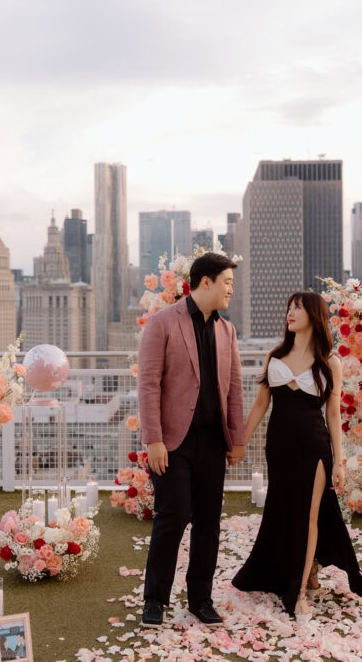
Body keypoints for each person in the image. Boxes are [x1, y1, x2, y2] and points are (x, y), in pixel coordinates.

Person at [232, 291, 362, 617]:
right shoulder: (275, 355)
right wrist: (240, 443)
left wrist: (339, 460)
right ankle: (305, 572)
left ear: (314, 315)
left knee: (309, 515)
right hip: (278, 447)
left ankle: (297, 594)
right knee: (282, 509)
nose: (290, 313)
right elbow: (261, 405)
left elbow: (333, 414)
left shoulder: (330, 362)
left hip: (314, 448)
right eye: (289, 307)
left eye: (297, 308)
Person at [137, 252, 245, 629]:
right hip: (172, 443)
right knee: (174, 515)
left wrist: (238, 439)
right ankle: (155, 600)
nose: (232, 289)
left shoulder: (226, 331)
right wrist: (153, 440)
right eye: (227, 282)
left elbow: (233, 390)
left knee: (209, 523)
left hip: (213, 442)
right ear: (205, 283)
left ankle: (200, 598)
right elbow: (148, 384)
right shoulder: (162, 323)